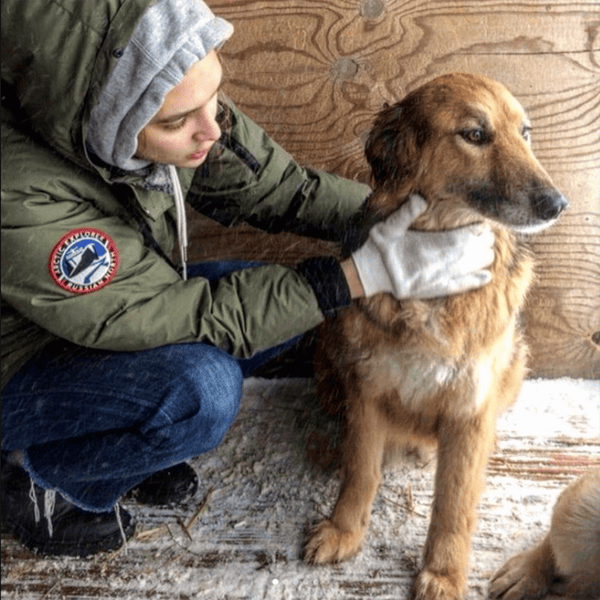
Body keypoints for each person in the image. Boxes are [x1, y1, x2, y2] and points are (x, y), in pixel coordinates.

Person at [0, 0, 495, 557]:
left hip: (105, 314)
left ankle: (117, 445)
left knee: (275, 308)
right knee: (199, 392)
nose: (211, 128)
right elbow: (163, 316)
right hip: (22, 364)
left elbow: (281, 189)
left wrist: (393, 222)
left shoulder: (171, 101)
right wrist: (354, 276)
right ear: (109, 120)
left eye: (214, 97)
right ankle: (42, 477)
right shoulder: (17, 192)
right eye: (177, 121)